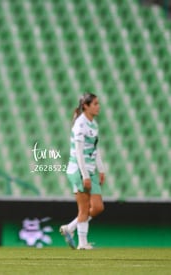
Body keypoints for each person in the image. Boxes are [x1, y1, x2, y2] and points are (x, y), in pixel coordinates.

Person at [60, 93, 105, 250]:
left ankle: (69, 228)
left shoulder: (93, 124)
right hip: (79, 169)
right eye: (95, 103)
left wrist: (101, 169)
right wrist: (85, 175)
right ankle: (82, 243)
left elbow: (95, 148)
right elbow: (78, 152)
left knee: (98, 207)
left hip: (91, 169)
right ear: (86, 106)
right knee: (84, 208)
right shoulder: (80, 125)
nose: (98, 106)